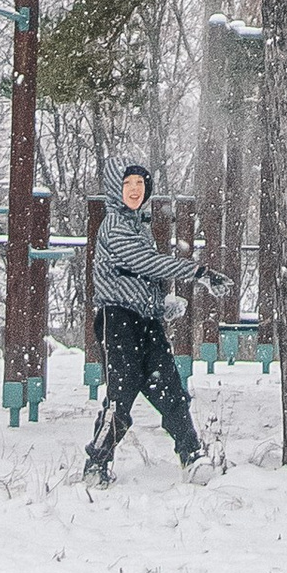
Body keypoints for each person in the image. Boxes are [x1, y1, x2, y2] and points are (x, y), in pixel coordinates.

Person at [83, 162, 206, 483]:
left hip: (146, 322)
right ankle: (96, 464)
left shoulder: (139, 227)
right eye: (128, 184)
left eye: (140, 183)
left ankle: (192, 455)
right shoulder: (114, 225)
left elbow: (138, 278)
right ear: (116, 189)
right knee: (120, 395)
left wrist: (160, 304)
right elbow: (145, 263)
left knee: (169, 388)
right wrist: (196, 271)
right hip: (117, 320)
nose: (135, 190)